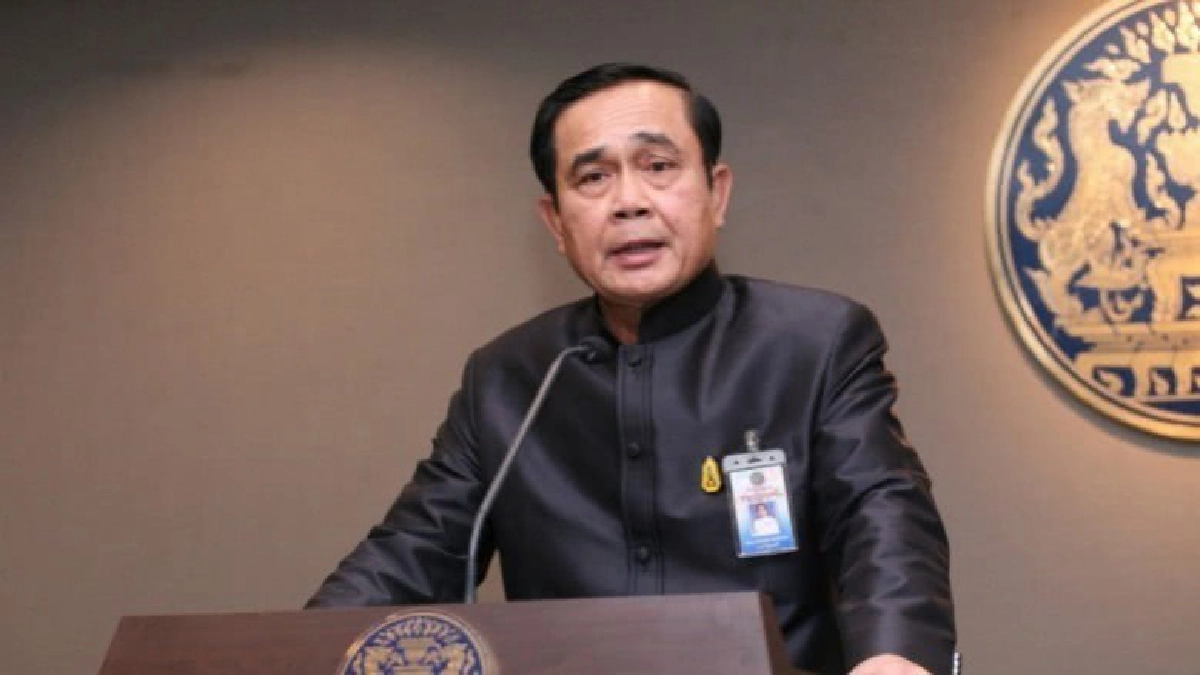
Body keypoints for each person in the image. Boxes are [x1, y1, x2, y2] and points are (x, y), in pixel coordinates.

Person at [307, 63, 956, 675]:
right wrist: (299, 649)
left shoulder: (814, 342)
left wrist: (894, 654)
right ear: (555, 222)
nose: (629, 202)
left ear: (717, 192)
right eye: (593, 178)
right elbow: (414, 550)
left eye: (658, 167)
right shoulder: (508, 379)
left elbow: (880, 513)